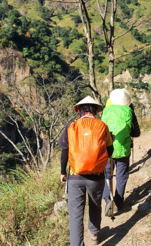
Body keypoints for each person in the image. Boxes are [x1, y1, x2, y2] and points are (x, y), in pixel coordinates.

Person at [58, 96, 113, 246]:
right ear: (95, 110)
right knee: (95, 205)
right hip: (96, 177)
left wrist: (63, 171)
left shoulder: (72, 126)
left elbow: (65, 151)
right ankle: (94, 234)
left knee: (75, 214)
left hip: (75, 176)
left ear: (79, 110)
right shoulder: (102, 126)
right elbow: (110, 151)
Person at [101, 88, 141, 216]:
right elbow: (137, 132)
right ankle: (118, 201)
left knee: (106, 175)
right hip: (123, 150)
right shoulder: (129, 112)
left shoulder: (105, 111)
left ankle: (108, 199)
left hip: (107, 149)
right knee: (121, 175)